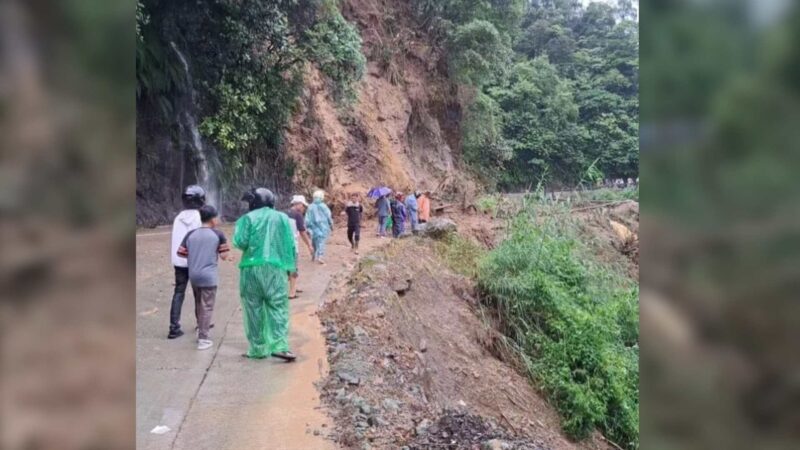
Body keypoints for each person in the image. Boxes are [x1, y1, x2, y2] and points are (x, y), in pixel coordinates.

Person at [234, 188, 297, 361]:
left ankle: (257, 348)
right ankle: (280, 346)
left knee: (253, 308)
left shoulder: (247, 219)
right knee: (277, 306)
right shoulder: (282, 218)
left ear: (254, 202)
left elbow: (241, 242)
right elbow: (289, 244)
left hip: (251, 269)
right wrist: (291, 268)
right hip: (275, 269)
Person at [176, 205, 229, 350]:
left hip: (194, 275)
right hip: (209, 276)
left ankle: (201, 328)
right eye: (217, 217)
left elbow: (181, 253)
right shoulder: (218, 235)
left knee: (199, 303)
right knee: (207, 306)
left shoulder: (191, 234)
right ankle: (203, 339)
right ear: (212, 219)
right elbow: (224, 256)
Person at [168, 185, 205, 339]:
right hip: (195, 261)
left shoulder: (178, 217)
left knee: (178, 292)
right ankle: (201, 323)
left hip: (179, 261)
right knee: (199, 294)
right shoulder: (199, 217)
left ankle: (173, 327)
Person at [286, 195, 313, 299]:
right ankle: (292, 293)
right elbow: (302, 232)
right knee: (293, 268)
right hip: (292, 245)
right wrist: (309, 245)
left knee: (285, 267)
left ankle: (292, 287)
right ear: (298, 204)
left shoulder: (283, 213)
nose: (303, 208)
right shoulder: (297, 215)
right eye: (303, 206)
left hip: (281, 245)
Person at [305, 190, 333, 264]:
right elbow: (328, 216)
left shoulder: (310, 207)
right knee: (321, 242)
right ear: (322, 197)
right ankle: (320, 256)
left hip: (313, 228)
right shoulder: (324, 206)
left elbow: (307, 219)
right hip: (323, 227)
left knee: (314, 241)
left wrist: (307, 228)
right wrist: (331, 224)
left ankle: (313, 255)